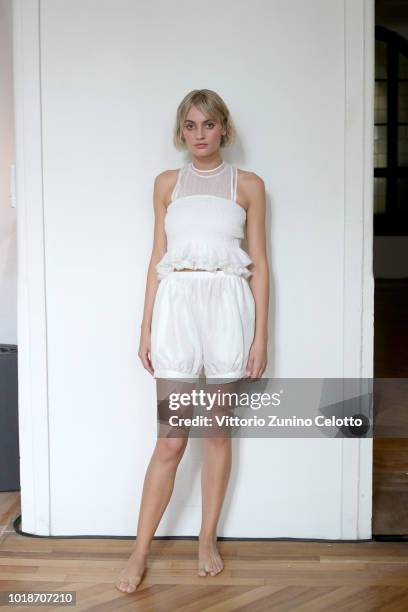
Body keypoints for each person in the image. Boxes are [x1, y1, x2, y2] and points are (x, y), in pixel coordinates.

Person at [115, 89, 269, 594]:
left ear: (224, 128)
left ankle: (206, 538)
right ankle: (139, 552)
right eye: (190, 126)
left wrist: (261, 336)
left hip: (227, 305)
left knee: (217, 434)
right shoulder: (166, 184)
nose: (199, 134)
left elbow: (262, 265)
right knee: (172, 439)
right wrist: (145, 327)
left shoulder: (247, 185)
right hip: (176, 304)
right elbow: (154, 257)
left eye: (208, 124)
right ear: (181, 132)